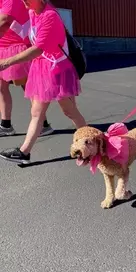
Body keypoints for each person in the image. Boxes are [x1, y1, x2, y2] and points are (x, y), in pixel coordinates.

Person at [0, 0, 86, 164]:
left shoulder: (50, 16)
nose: (23, 4)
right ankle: (24, 152)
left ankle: (93, 143)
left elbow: (38, 48)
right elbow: (26, 35)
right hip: (43, 68)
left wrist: (6, 62)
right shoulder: (33, 12)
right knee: (37, 113)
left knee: (70, 111)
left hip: (58, 71)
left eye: (26, 1)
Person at [0, 0, 53, 137]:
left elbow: (5, 19)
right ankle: (6, 125)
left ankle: (43, 124)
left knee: (29, 87)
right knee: (1, 86)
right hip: (4, 47)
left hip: (16, 47)